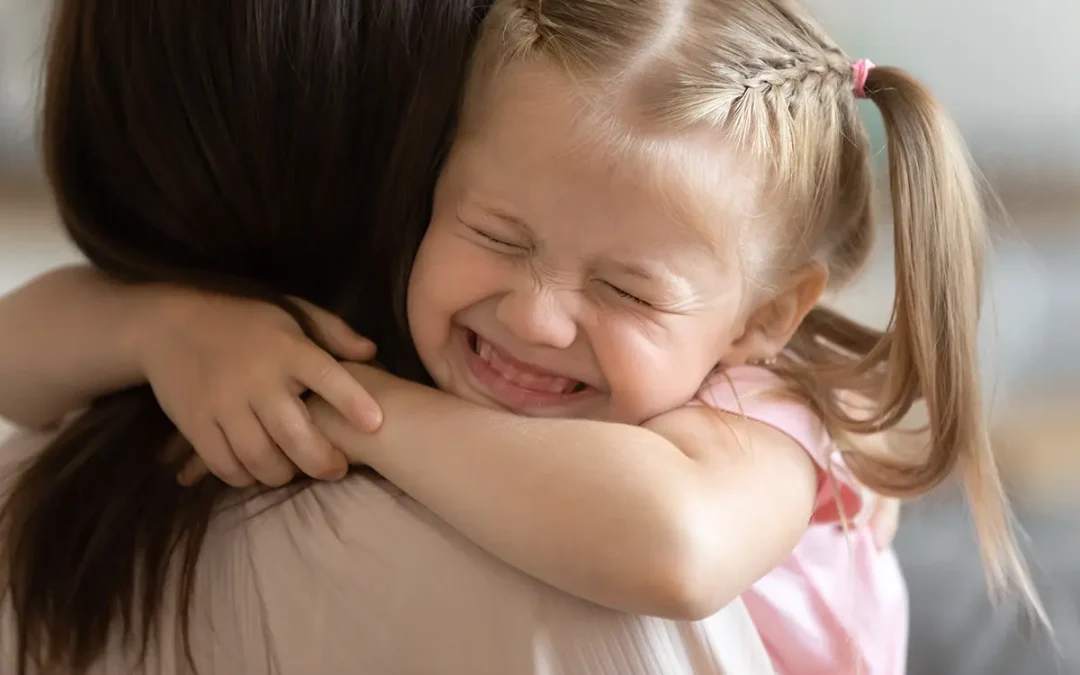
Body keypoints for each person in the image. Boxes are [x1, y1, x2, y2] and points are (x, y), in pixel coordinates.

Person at [0, 0, 776, 673]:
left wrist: (338, 400)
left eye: (628, 288)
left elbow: (679, 540)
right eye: (501, 233)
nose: (538, 319)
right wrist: (159, 324)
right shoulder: (563, 587)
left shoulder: (723, 447)